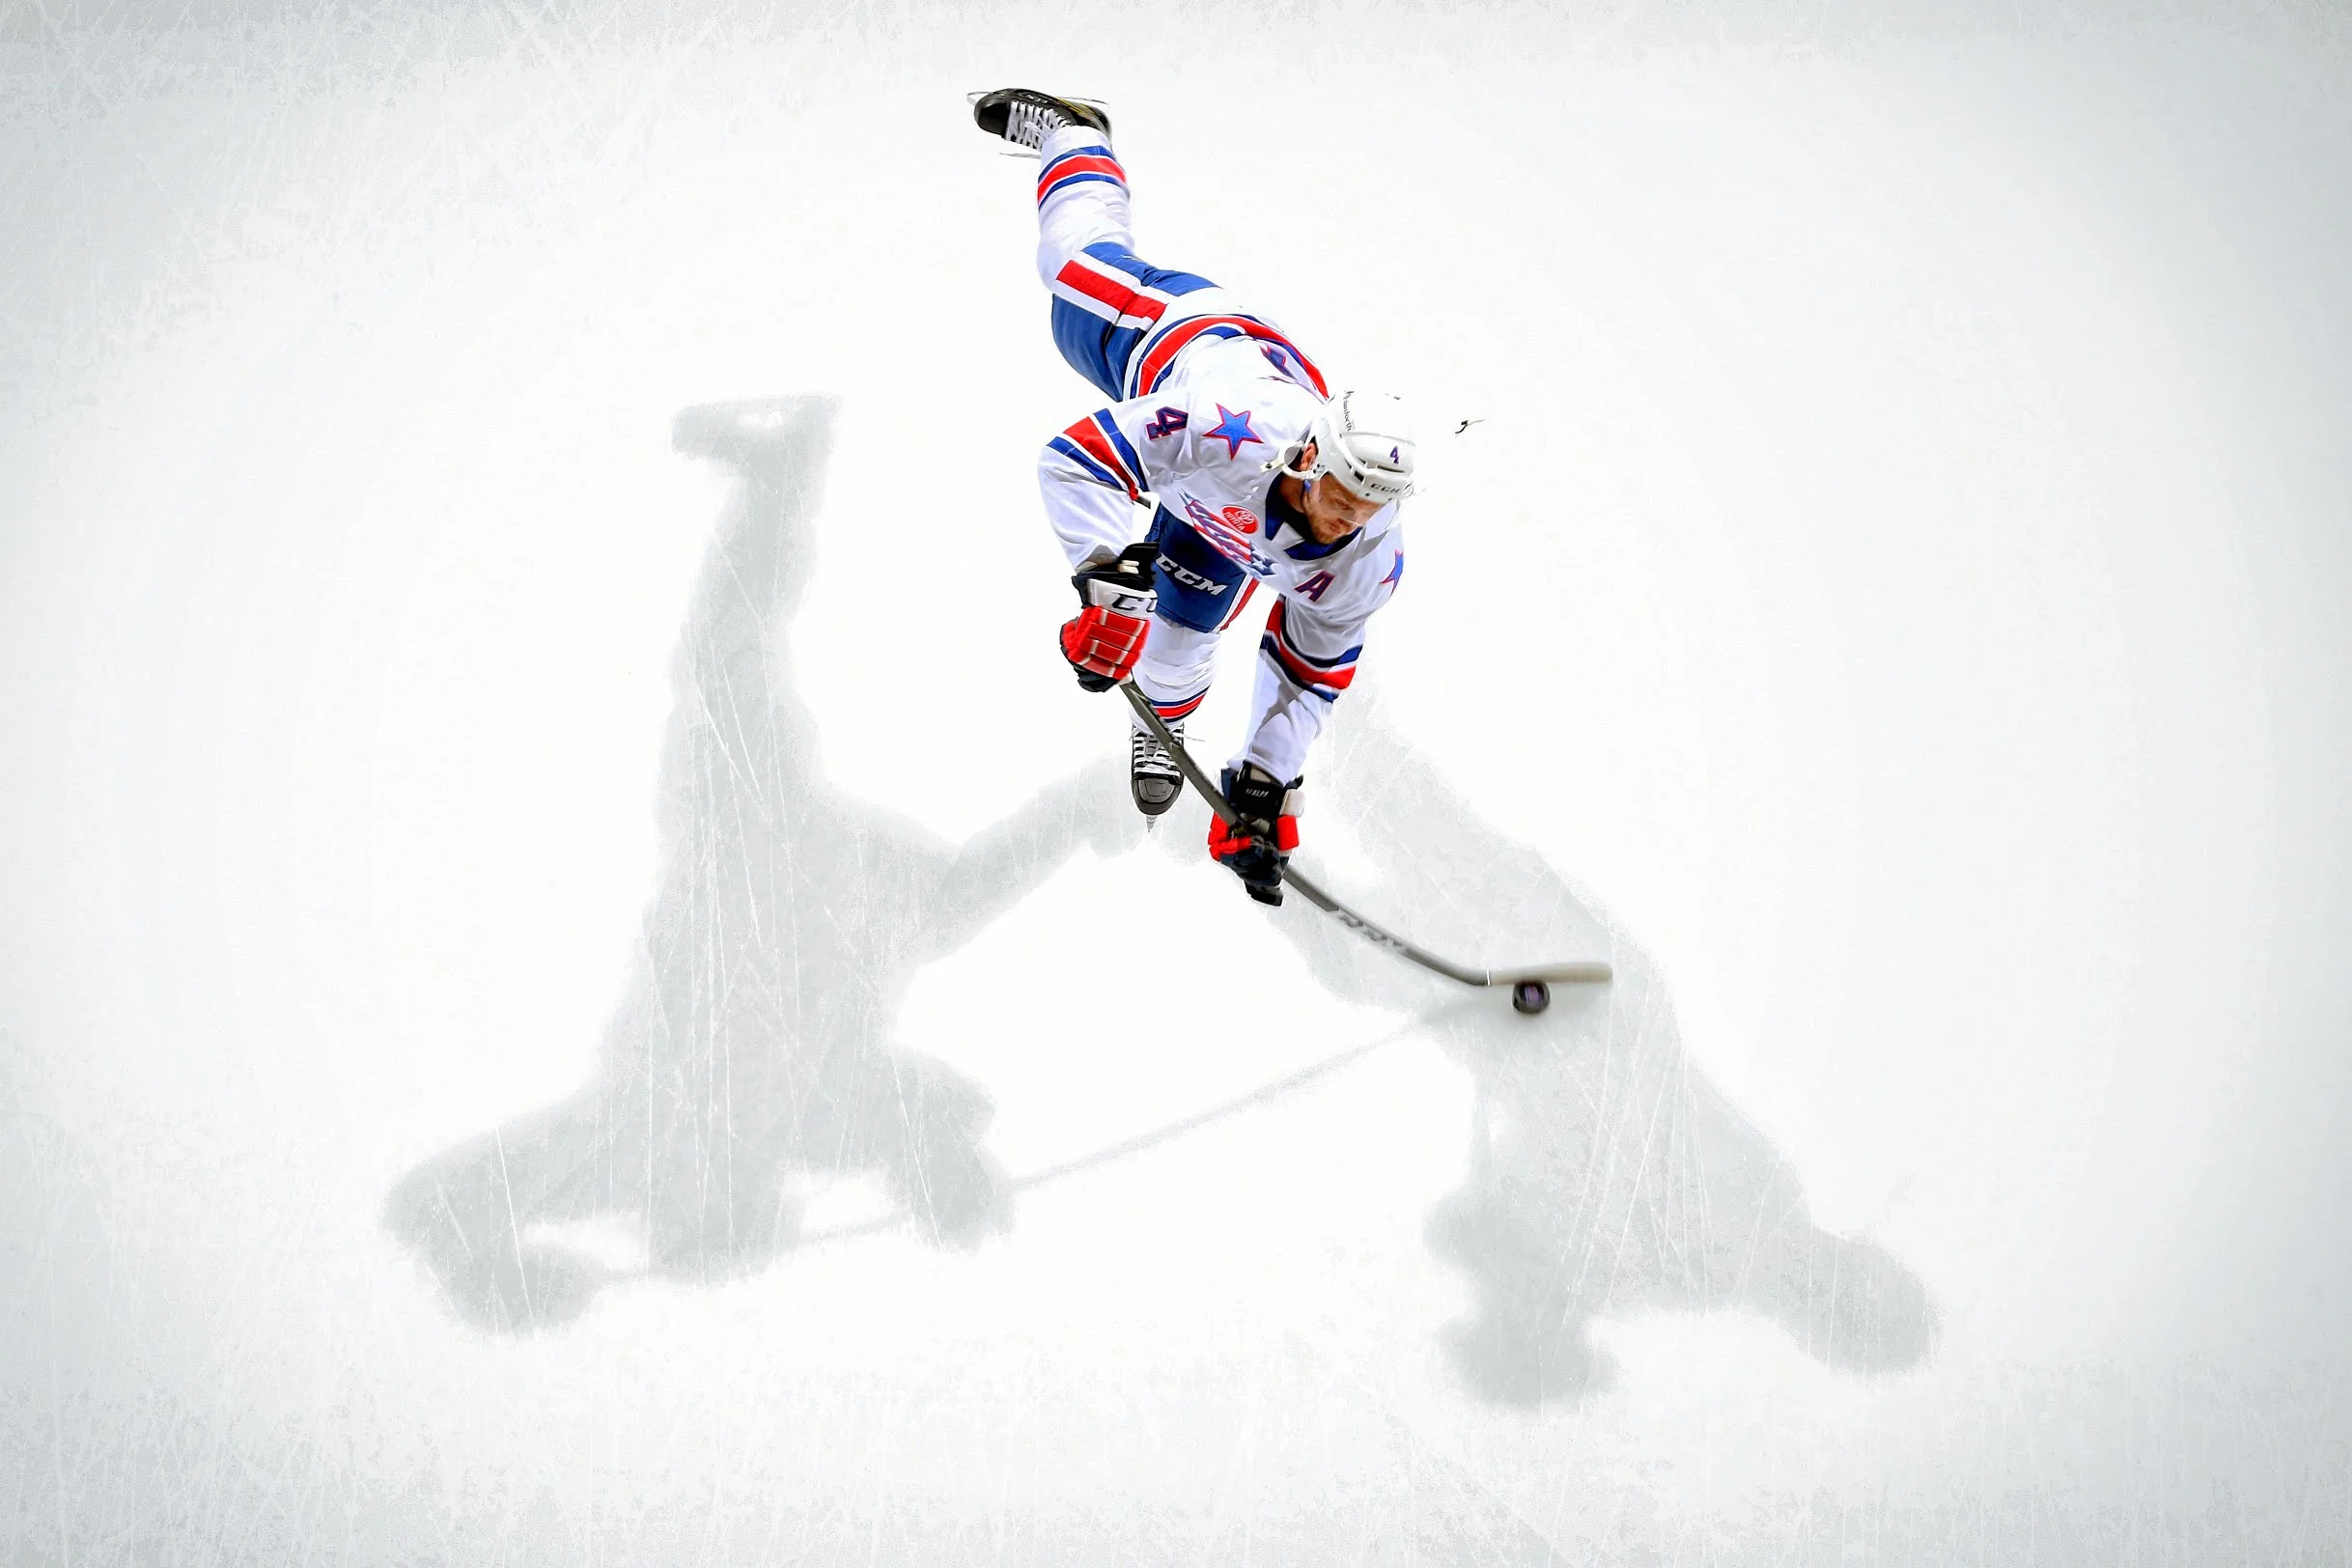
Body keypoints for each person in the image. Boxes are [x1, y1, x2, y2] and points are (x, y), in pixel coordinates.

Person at [972, 88, 1416, 908]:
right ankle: (1076, 135)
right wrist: (1103, 573)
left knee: (1175, 643)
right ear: (1311, 452)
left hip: (1218, 514)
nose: (1348, 516)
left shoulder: (1367, 566)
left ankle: (1164, 718)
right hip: (1166, 344)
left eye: (1370, 504)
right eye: (1343, 489)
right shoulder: (1224, 433)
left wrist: (1263, 783)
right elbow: (1076, 459)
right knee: (1067, 267)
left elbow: (1307, 673)